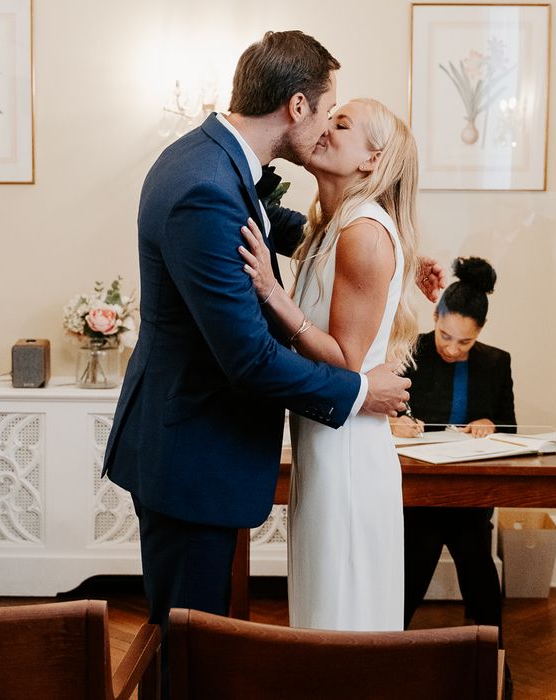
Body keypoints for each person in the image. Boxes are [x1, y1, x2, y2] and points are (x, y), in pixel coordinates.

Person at [101, 29, 418, 666]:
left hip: (192, 447)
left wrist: (391, 249)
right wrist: (360, 390)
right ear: (296, 108)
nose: (327, 126)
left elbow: (291, 228)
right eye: (328, 111)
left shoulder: (210, 163)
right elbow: (247, 358)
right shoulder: (207, 186)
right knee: (189, 651)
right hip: (194, 453)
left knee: (196, 642)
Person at [238, 97, 419, 630]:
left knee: (342, 610)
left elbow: (344, 363)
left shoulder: (363, 232)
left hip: (348, 457)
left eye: (341, 124)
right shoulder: (333, 225)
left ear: (372, 158)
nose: (324, 128)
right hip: (324, 442)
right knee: (322, 606)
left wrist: (274, 296)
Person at [392, 257, 514, 671]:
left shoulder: (496, 363)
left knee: (476, 559)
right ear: (435, 317)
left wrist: (489, 424)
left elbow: (511, 427)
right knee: (417, 557)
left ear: (479, 333)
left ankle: (495, 659)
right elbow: (387, 411)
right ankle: (384, 653)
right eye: (445, 335)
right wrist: (394, 425)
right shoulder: (411, 351)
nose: (451, 347)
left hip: (469, 493)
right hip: (420, 491)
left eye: (464, 342)